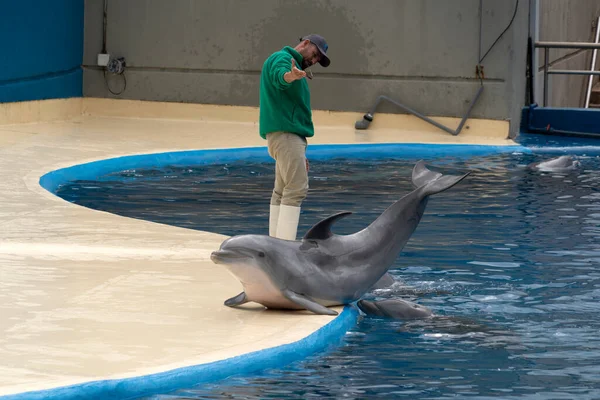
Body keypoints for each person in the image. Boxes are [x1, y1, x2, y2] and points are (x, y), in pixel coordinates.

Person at [259, 34, 330, 240]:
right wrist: (290, 76)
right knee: (297, 189)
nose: (314, 60)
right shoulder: (282, 59)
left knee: (282, 190)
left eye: (318, 59)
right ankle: (285, 246)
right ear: (305, 43)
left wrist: (300, 151)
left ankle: (274, 245)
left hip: (286, 139)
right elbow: (280, 77)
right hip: (286, 136)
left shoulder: (295, 67)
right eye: (315, 54)